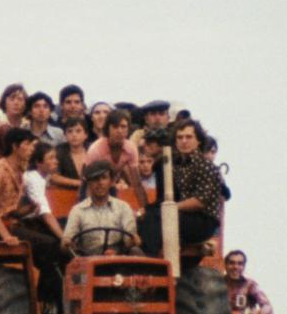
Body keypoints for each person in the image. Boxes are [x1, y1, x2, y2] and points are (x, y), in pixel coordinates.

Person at [0, 128, 64, 310]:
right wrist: (5, 236)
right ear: (15, 146)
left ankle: (57, 295)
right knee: (50, 245)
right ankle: (46, 302)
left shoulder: (19, 171)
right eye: (27, 144)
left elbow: (11, 210)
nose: (30, 149)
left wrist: (26, 210)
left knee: (59, 245)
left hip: (14, 222)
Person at [137, 119, 226, 256]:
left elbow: (200, 202)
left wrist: (172, 207)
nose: (184, 141)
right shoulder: (178, 165)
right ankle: (149, 253)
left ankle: (153, 258)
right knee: (147, 217)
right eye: (180, 137)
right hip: (184, 215)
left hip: (204, 221)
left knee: (159, 216)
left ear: (199, 141)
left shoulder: (206, 166)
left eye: (189, 137)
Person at [62, 161, 142, 256]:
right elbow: (67, 242)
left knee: (136, 251)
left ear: (111, 181)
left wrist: (133, 240)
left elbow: (129, 239)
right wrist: (68, 242)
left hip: (118, 259)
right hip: (88, 260)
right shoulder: (78, 210)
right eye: (95, 179)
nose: (100, 183)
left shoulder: (123, 208)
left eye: (104, 178)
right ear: (88, 183)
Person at [84, 109, 148, 209]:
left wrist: (145, 208)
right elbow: (88, 183)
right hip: (89, 185)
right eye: (115, 127)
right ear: (107, 129)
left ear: (128, 129)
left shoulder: (131, 148)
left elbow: (137, 183)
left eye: (123, 127)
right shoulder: (96, 149)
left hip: (110, 185)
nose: (119, 130)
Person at [53, 117, 87, 187]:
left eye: (78, 131)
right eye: (70, 131)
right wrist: (79, 183)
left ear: (86, 135)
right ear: (65, 135)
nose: (74, 135)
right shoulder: (58, 151)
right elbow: (54, 177)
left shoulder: (93, 150)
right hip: (64, 193)